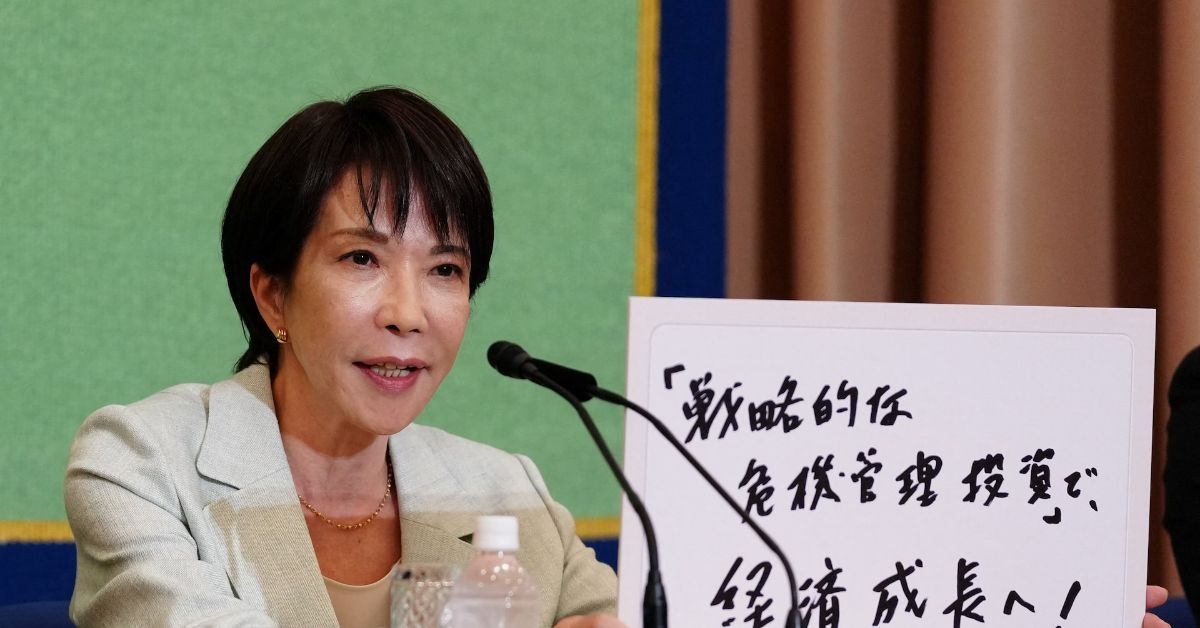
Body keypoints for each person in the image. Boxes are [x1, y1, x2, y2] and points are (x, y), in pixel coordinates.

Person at [65, 87, 623, 627]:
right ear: (273, 295)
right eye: (362, 258)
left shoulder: (511, 495)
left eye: (445, 269)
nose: (408, 314)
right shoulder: (143, 463)